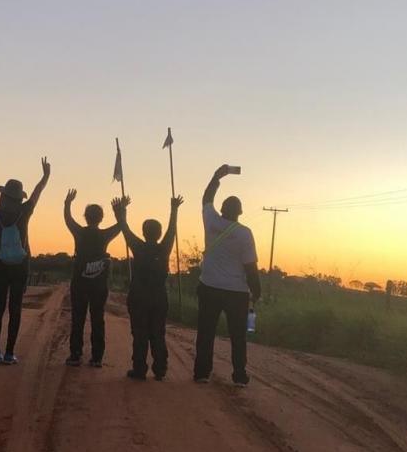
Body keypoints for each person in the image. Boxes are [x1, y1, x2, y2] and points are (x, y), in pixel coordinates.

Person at [194, 165, 261, 387]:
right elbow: (250, 267)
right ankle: (239, 375)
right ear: (239, 212)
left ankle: (202, 373)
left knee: (206, 332)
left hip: (209, 286)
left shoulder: (211, 221)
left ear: (222, 209)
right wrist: (256, 291)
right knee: (238, 336)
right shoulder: (244, 234)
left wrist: (216, 176)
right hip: (236, 293)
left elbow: (206, 197)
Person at [0, 157, 51, 365]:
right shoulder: (25, 211)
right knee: (15, 308)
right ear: (19, 197)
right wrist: (45, 176)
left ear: (3, 195)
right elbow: (38, 192)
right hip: (21, 264)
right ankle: (10, 352)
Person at [112, 194, 183, 381]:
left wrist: (120, 212)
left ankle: (139, 369)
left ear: (144, 233)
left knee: (140, 333)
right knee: (158, 333)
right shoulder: (164, 248)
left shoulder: (138, 246)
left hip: (139, 297)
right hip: (159, 297)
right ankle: (160, 369)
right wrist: (174, 209)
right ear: (158, 234)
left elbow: (124, 228)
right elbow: (172, 230)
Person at [63, 189, 121, 367]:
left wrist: (67, 203)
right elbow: (121, 226)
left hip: (79, 283)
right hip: (99, 285)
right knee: (98, 319)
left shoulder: (79, 233)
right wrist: (120, 211)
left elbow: (68, 219)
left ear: (86, 217)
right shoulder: (104, 235)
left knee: (78, 319)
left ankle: (75, 354)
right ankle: (97, 357)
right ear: (101, 218)